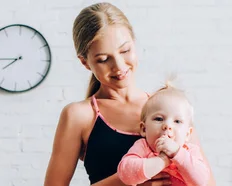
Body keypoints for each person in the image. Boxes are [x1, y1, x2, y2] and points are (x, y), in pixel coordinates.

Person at [43, 2, 216, 186]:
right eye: (103, 59)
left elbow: (207, 182)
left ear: (134, 44)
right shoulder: (79, 115)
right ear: (85, 63)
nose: (119, 66)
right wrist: (128, 179)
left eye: (125, 51)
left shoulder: (168, 109)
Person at [116, 81, 210, 186]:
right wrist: (162, 160)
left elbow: (202, 181)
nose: (167, 125)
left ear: (188, 134)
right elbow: (125, 173)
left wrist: (177, 153)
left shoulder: (189, 151)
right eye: (159, 119)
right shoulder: (142, 147)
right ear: (144, 129)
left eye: (177, 121)